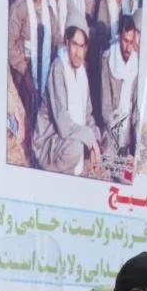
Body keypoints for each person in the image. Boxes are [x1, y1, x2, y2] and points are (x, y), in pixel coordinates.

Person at [33, 18, 102, 176]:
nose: (78, 53)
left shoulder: (82, 72)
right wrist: (89, 138)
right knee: (76, 148)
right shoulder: (58, 68)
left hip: (69, 138)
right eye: (74, 45)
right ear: (67, 42)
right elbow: (63, 125)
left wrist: (95, 140)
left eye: (82, 46)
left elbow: (88, 115)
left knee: (98, 138)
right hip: (50, 141)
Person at [9, 0, 55, 163]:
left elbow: (58, 42)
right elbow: (10, 45)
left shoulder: (48, 12)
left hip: (44, 72)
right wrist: (26, 74)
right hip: (22, 72)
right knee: (27, 109)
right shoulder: (20, 7)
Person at [100, 14, 141, 161]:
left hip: (129, 128)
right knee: (110, 159)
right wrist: (117, 138)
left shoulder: (137, 63)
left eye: (131, 42)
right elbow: (105, 108)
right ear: (118, 37)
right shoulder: (108, 60)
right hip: (111, 128)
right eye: (125, 41)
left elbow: (136, 109)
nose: (128, 47)